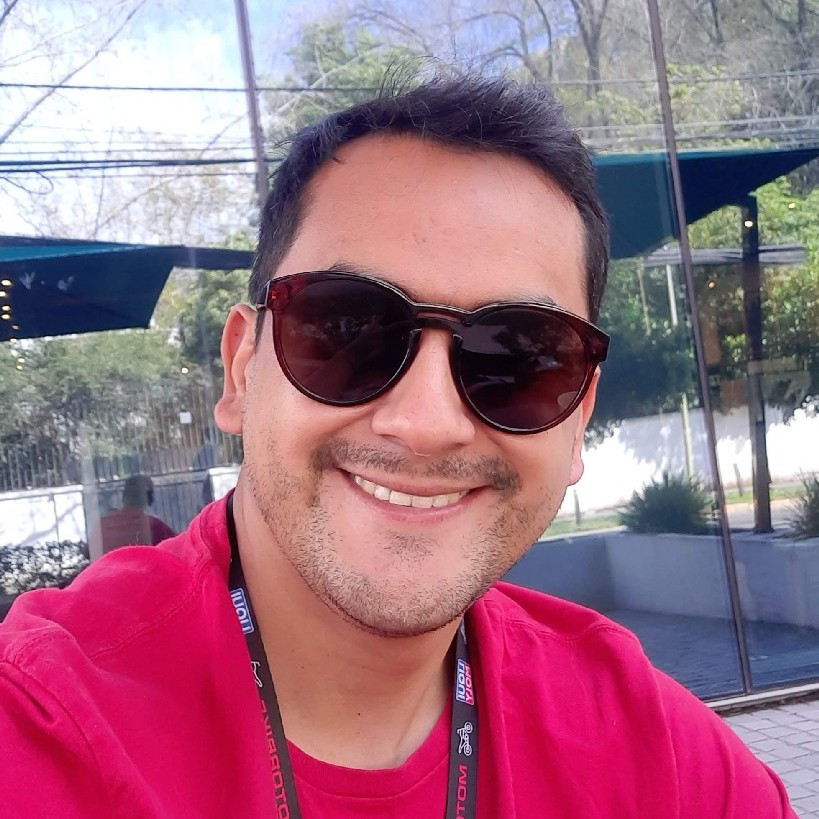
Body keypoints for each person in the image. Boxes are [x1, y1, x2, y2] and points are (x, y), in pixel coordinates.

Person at [0, 73, 796, 818]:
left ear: (578, 416)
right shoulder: (42, 727)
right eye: (346, 328)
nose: (426, 421)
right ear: (242, 370)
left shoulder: (659, 758)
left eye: (519, 355)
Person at [96, 474, 176, 553]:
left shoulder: (101, 526)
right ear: (149, 498)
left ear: (124, 496)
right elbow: (178, 549)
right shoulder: (155, 526)